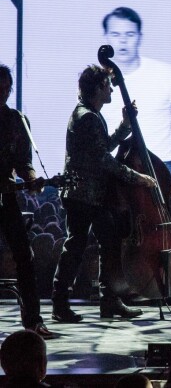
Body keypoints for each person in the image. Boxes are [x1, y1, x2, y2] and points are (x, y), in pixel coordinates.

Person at [52, 65, 157, 322]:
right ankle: (60, 304)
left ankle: (109, 300)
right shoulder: (87, 117)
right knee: (76, 246)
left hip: (91, 195)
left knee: (108, 244)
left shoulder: (89, 115)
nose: (111, 89)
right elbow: (105, 160)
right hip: (82, 194)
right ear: (98, 88)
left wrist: (124, 125)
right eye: (108, 85)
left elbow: (105, 147)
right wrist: (138, 178)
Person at [101, 6, 171, 182]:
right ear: (106, 37)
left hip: (162, 165)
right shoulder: (96, 78)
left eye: (129, 34)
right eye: (116, 35)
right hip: (114, 166)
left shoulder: (165, 72)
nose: (123, 41)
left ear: (139, 37)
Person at [0, 65, 52, 339]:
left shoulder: (17, 120)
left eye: (7, 88)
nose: (3, 93)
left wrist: (32, 177)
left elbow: (23, 163)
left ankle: (33, 322)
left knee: (25, 257)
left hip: (6, 197)